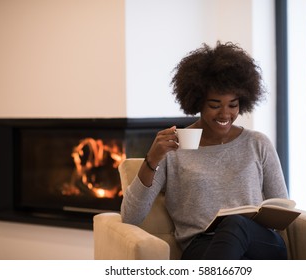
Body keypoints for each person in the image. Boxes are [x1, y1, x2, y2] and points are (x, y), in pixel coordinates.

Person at [121, 41, 288, 260]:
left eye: (233, 104)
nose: (225, 114)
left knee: (236, 224)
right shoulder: (174, 148)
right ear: (198, 101)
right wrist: (152, 159)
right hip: (203, 247)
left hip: (259, 244)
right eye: (215, 105)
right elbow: (131, 217)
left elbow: (282, 209)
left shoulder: (257, 143)